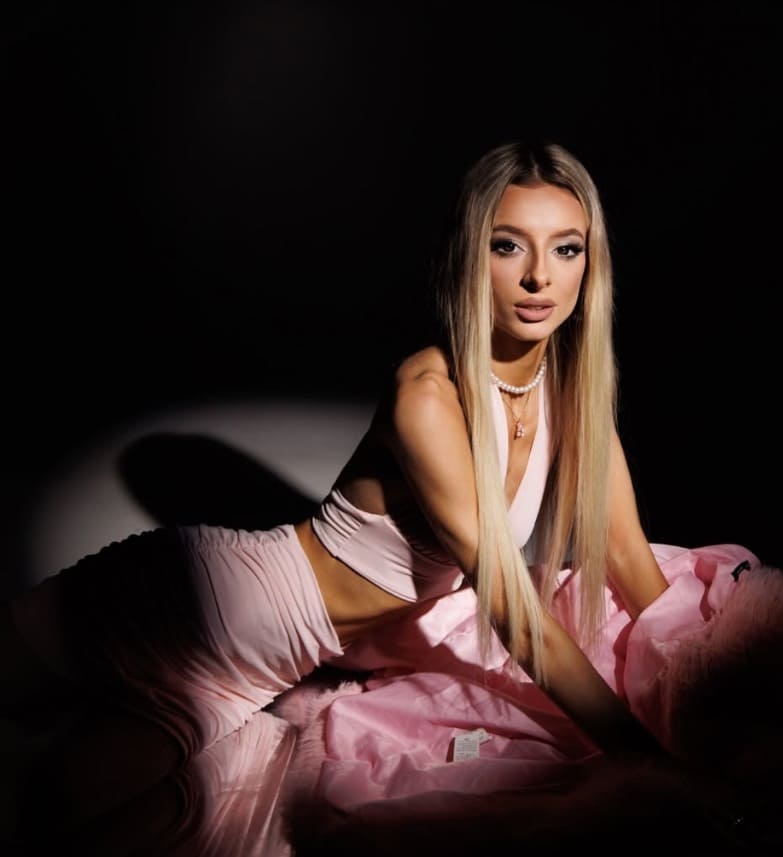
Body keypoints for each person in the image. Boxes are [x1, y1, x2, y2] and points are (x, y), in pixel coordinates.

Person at [1, 140, 677, 846]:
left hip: (258, 672)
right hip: (197, 609)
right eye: (508, 246)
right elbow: (513, 610)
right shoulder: (429, 395)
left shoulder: (572, 397)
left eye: (566, 249)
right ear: (470, 257)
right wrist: (649, 763)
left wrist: (694, 702)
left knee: (64, 818)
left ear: (590, 264)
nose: (539, 276)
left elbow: (627, 555)